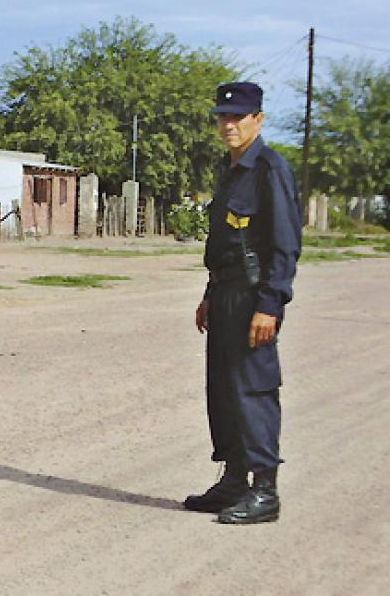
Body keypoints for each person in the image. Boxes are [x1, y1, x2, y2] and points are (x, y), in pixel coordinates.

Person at [185, 81, 301, 525]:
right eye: (223, 116)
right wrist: (210, 294)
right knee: (224, 391)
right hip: (227, 292)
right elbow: (229, 241)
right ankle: (234, 480)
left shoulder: (270, 168)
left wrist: (270, 304)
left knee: (253, 390)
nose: (229, 124)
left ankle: (265, 492)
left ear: (259, 119)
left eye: (239, 116)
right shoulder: (230, 169)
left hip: (255, 295)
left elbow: (285, 245)